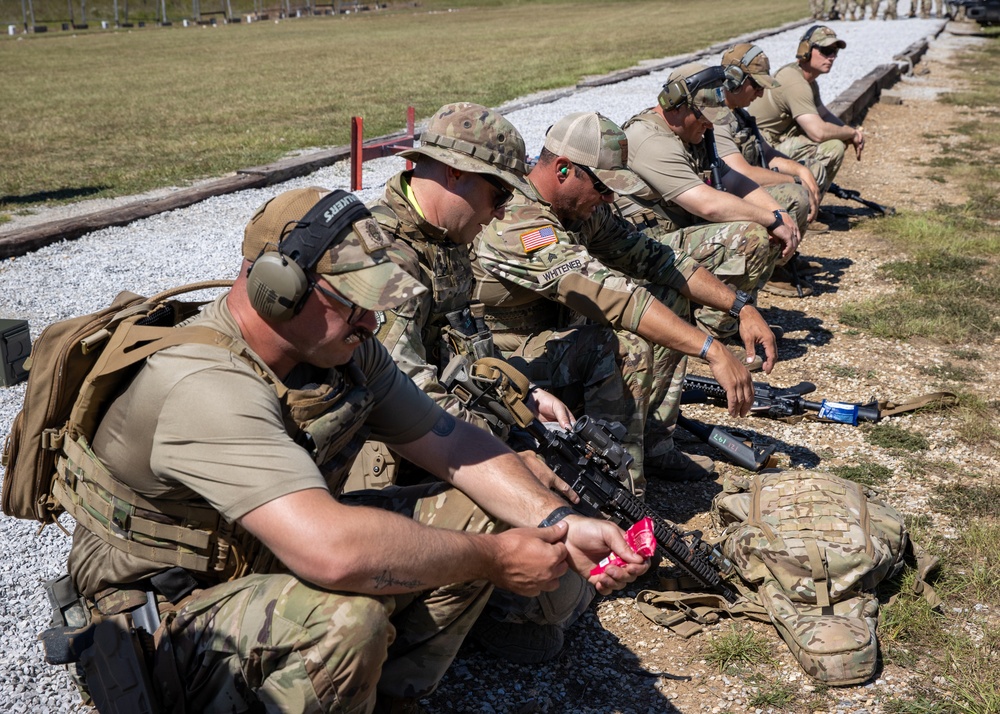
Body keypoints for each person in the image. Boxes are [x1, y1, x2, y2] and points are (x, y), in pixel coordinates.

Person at [63, 186, 648, 713]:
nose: (371, 320)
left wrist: (558, 521)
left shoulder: (339, 348)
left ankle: (384, 698)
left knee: (484, 512)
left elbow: (451, 441)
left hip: (261, 550)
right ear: (278, 287)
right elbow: (333, 553)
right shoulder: (206, 386)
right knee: (347, 624)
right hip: (169, 605)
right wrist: (494, 559)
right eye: (351, 301)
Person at [358, 102, 613, 664]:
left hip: (440, 430)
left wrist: (525, 396)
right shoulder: (386, 258)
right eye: (497, 195)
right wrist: (512, 457)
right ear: (452, 173)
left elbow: (465, 346)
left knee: (563, 579)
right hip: (387, 448)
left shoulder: (443, 241)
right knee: (551, 604)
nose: (501, 213)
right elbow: (408, 397)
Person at [474, 111, 777, 485]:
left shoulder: (582, 210)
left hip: (560, 339)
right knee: (623, 344)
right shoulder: (519, 221)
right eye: (603, 187)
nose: (609, 197)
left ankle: (653, 444)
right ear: (564, 169)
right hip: (510, 359)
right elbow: (613, 296)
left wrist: (739, 305)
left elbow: (658, 259)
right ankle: (619, 484)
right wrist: (712, 349)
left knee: (667, 295)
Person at [614, 62, 804, 330]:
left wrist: (779, 213)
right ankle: (716, 332)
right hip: (641, 252)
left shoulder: (693, 136)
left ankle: (735, 317)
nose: (708, 124)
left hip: (671, 241)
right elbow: (707, 204)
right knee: (751, 236)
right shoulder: (649, 139)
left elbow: (735, 180)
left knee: (765, 227)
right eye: (703, 115)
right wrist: (770, 219)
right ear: (675, 104)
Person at [707, 43, 824, 295]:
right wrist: (794, 180)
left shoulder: (739, 114)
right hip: (728, 196)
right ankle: (770, 268)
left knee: (808, 173)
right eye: (757, 86)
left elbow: (767, 155)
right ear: (733, 81)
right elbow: (742, 172)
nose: (760, 94)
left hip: (741, 190)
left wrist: (802, 172)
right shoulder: (716, 116)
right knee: (794, 195)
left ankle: (780, 258)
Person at [748, 25, 864, 197]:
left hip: (773, 144)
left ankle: (808, 202)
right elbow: (818, 132)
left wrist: (851, 133)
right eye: (826, 50)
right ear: (806, 51)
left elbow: (824, 115)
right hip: (761, 151)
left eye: (835, 52)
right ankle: (804, 203)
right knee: (833, 147)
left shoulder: (807, 81)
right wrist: (850, 133)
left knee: (837, 139)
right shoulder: (795, 82)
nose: (832, 57)